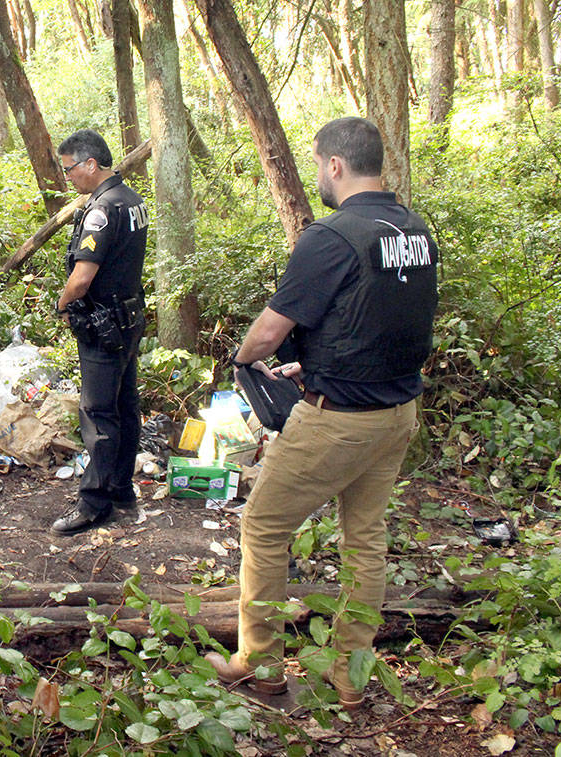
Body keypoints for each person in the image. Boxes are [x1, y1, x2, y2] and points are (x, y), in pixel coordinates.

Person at [206, 117, 438, 710]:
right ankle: (350, 678)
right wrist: (317, 363)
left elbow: (270, 329)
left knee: (263, 525)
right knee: (366, 540)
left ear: (334, 164)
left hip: (339, 420)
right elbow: (383, 322)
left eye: (317, 166)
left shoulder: (331, 236)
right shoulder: (414, 230)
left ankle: (259, 668)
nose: (317, 178)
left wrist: (243, 357)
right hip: (397, 413)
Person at [51, 129, 149, 537]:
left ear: (91, 164)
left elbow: (82, 278)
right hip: (129, 318)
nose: (68, 177)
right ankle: (122, 487)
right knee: (125, 404)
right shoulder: (133, 200)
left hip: (103, 324)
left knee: (97, 412)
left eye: (70, 168)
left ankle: (94, 503)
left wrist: (61, 303)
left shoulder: (101, 210)